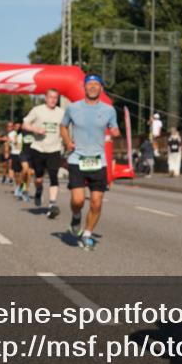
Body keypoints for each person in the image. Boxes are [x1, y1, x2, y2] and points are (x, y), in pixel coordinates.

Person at [60, 74, 120, 251]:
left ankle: (87, 234)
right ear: (84, 88)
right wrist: (67, 141)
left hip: (98, 160)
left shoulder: (109, 110)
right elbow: (63, 126)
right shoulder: (73, 108)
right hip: (77, 159)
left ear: (101, 88)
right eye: (89, 84)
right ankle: (76, 216)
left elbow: (114, 127)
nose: (93, 87)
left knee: (96, 202)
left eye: (96, 84)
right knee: (78, 200)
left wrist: (116, 132)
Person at [22, 88, 65, 218]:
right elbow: (24, 125)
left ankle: (52, 205)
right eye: (50, 97)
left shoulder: (62, 112)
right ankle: (39, 189)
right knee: (39, 177)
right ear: (45, 98)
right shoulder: (37, 110)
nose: (53, 100)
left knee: (53, 176)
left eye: (55, 98)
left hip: (55, 149)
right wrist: (35, 129)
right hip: (38, 148)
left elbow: (66, 127)